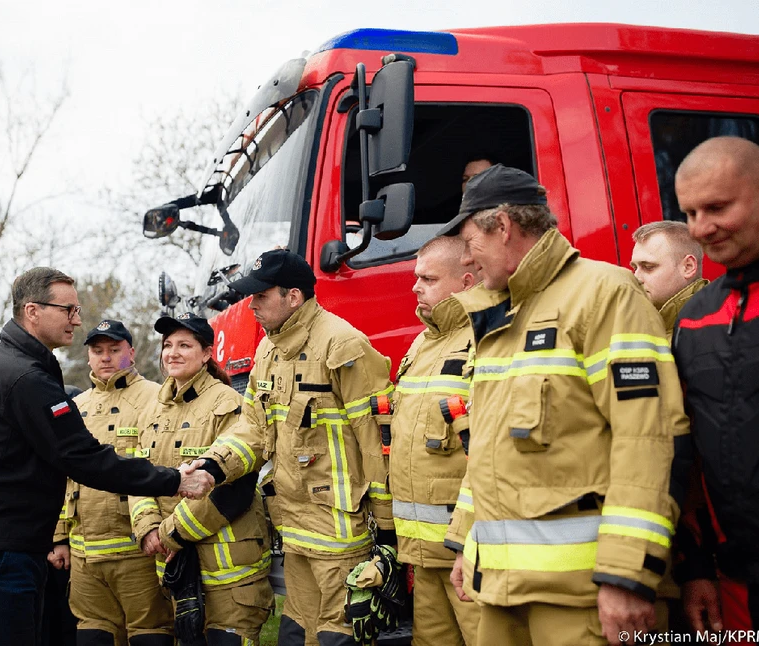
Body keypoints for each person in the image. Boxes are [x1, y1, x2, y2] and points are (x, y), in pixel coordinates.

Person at [437, 164, 690, 646]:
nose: (469, 262)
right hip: (500, 592)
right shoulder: (500, 313)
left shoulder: (605, 295)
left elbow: (649, 440)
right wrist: (468, 543)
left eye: (471, 244)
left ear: (504, 227)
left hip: (584, 601)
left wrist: (626, 575)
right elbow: (489, 452)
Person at [0, 267, 214, 646]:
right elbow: (81, 458)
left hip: (1, 548)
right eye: (68, 309)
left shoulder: (21, 365)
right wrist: (175, 479)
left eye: (77, 309)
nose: (77, 318)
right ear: (33, 312)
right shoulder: (25, 377)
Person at [198, 249, 395, 646]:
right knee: (295, 634)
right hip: (294, 531)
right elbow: (252, 429)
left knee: (337, 635)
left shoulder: (343, 345)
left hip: (341, 536)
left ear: (293, 297)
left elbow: (377, 442)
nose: (251, 305)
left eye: (261, 296)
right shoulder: (267, 351)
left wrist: (388, 532)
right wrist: (212, 466)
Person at [130, 313, 274, 646]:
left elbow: (234, 491)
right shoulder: (151, 411)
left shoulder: (230, 405)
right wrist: (148, 528)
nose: (173, 353)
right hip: (177, 569)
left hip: (230, 575)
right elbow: (139, 477)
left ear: (207, 353)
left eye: (184, 345)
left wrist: (169, 534)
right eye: (168, 345)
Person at [672, 136, 759, 637]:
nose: (701, 228)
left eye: (718, 208)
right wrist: (696, 568)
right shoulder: (695, 316)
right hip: (735, 583)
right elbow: (688, 456)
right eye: (689, 213)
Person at [50, 320, 174, 646]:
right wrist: (60, 537)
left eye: (114, 350)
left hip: (139, 553)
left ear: (130, 353)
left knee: (151, 631)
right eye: (97, 351)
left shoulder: (157, 398)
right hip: (84, 555)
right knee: (92, 633)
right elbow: (60, 475)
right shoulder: (75, 407)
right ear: (88, 357)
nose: (105, 358)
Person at [390, 235, 480, 646]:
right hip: (423, 553)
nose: (415, 287)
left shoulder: (487, 338)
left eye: (428, 278)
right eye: (416, 277)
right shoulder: (422, 343)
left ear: (465, 281)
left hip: (472, 550)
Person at [630, 221, 709, 333]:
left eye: (648, 267)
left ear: (688, 267)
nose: (636, 278)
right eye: (635, 268)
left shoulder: (717, 330)